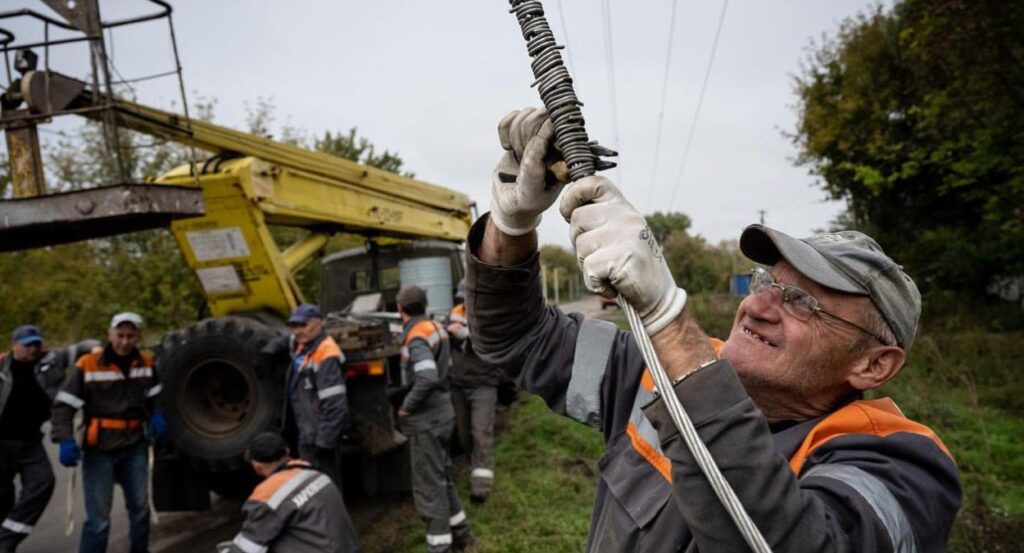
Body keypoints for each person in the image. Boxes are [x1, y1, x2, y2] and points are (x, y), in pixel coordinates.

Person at [464, 107, 962, 552]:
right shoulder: (651, 373)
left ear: (874, 364)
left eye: (803, 302)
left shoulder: (901, 468)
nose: (758, 305)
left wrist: (668, 320)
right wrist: (511, 225)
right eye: (766, 281)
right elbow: (518, 338)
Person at [51, 312, 166, 553]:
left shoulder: (146, 363)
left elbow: (157, 397)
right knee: (98, 519)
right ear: (110, 334)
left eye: (131, 336)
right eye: (120, 335)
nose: (125, 342)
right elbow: (64, 405)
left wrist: (158, 415)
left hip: (134, 445)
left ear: (138, 337)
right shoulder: (88, 365)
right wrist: (65, 440)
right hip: (99, 448)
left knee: (140, 508)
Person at [395, 285, 473, 552]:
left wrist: (406, 406)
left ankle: (440, 545)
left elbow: (426, 376)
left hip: (426, 420)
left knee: (429, 488)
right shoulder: (434, 327)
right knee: (441, 476)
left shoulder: (416, 336)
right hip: (443, 413)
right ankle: (461, 532)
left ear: (400, 307)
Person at [217, 432, 358, 553]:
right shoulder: (316, 474)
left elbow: (247, 547)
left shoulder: (267, 495)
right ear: (287, 451)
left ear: (256, 465)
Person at [0, 326, 68, 552]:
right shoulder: (2, 367)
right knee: (3, 497)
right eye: (27, 344)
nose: (32, 349)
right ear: (14, 345)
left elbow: (81, 348)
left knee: (43, 482)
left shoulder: (48, 365)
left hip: (30, 442)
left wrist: (95, 347)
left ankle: (7, 539)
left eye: (36, 344)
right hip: (2, 442)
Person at [446, 279, 503, 503]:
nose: (466, 301)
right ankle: (475, 467)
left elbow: (492, 338)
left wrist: (466, 333)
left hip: (483, 383)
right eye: (464, 297)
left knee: (481, 432)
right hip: (459, 383)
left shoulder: (490, 314)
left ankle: (481, 487)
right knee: (463, 434)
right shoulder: (455, 313)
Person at [285, 303, 350, 489]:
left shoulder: (326, 353)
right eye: (294, 326)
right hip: (307, 434)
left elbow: (335, 404)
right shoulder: (303, 345)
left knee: (326, 489)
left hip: (318, 438)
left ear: (318, 324)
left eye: (303, 326)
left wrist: (324, 442)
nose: (297, 332)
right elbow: (287, 339)